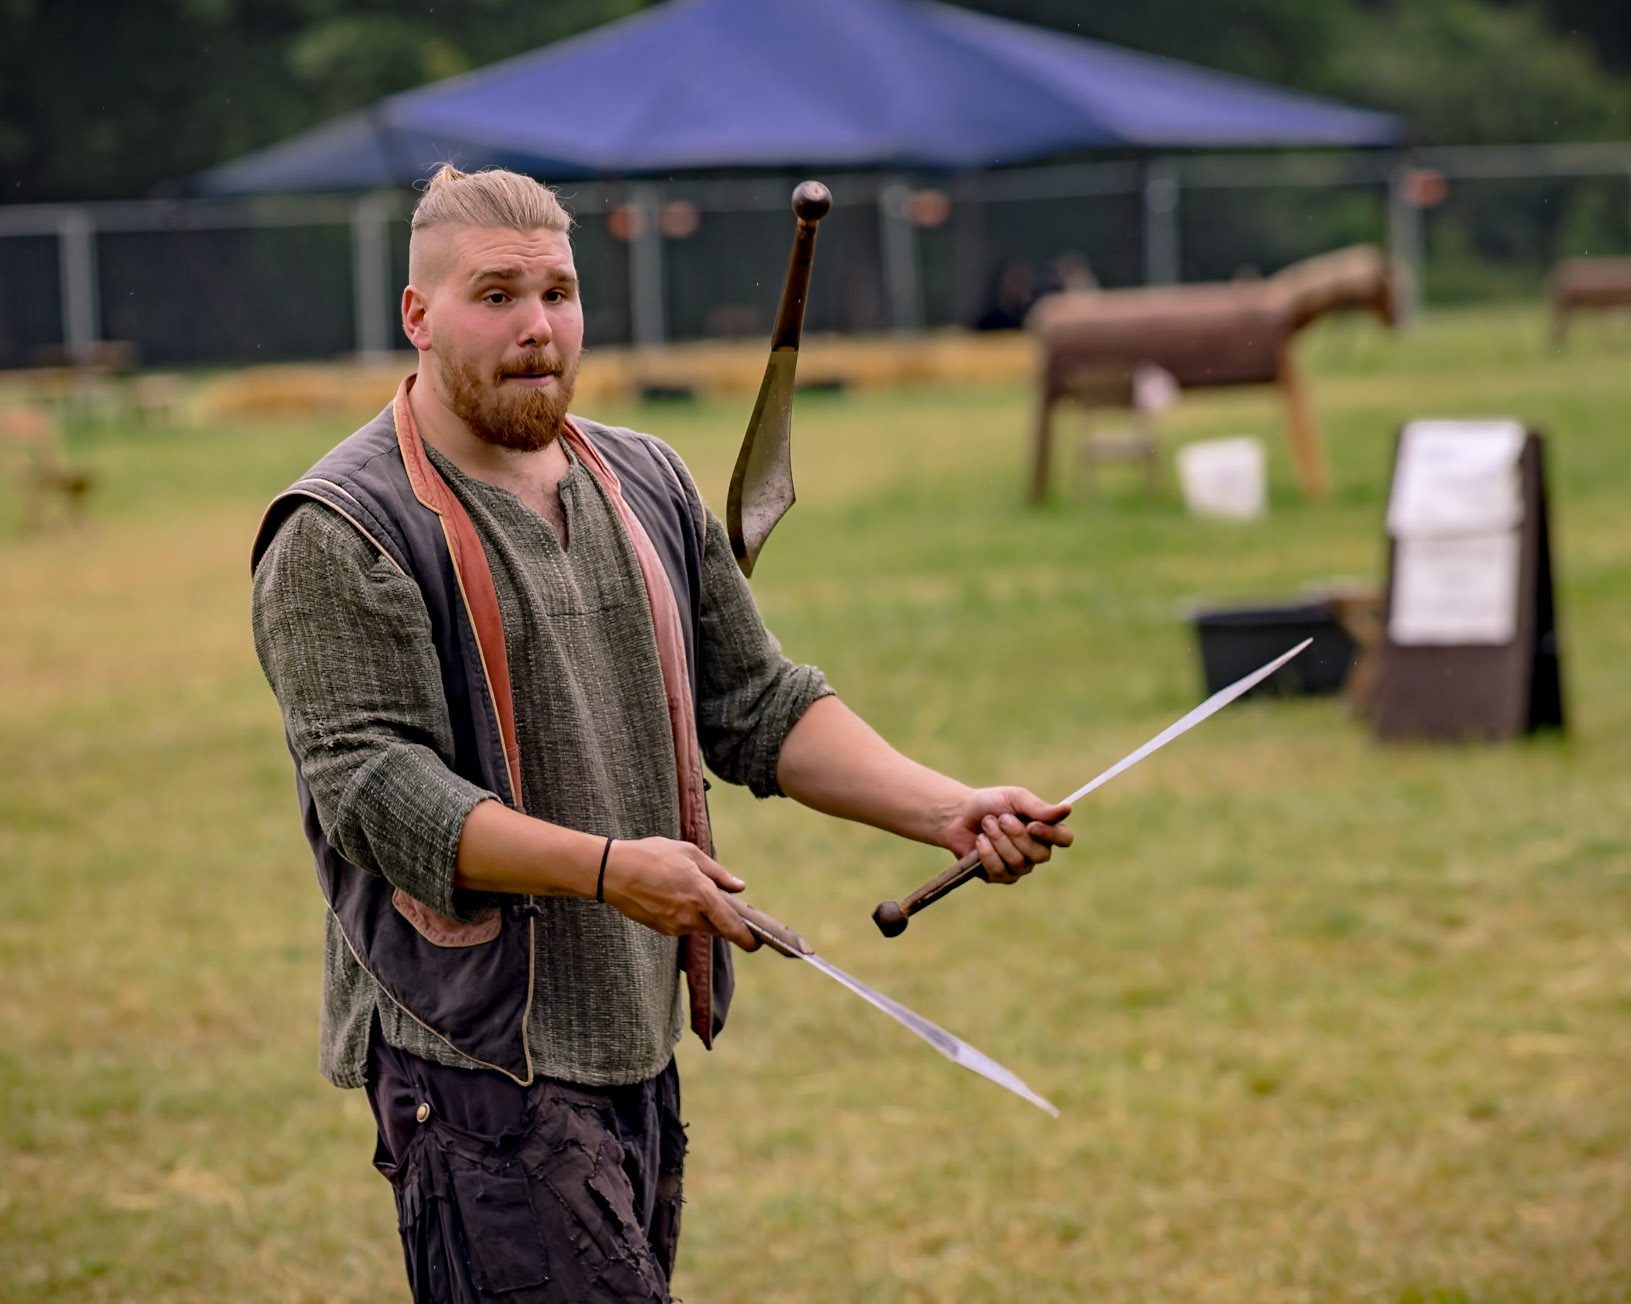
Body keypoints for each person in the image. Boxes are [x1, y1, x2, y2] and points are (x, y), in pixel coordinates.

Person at [250, 165, 1072, 1304]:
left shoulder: (646, 478)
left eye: (558, 292)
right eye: (496, 295)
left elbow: (756, 703)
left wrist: (946, 808)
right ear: (418, 315)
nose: (537, 327)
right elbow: (378, 795)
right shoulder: (343, 528)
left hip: (633, 1039)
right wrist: (608, 869)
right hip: (475, 1059)